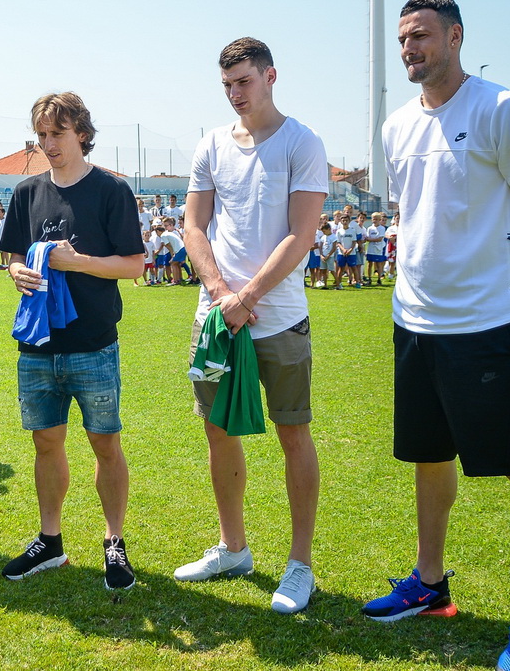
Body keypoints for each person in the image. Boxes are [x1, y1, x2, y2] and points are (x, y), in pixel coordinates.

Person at [361, 0, 510, 671]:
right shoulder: (395, 127)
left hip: (489, 325)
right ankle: (430, 582)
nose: (410, 48)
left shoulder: (502, 110)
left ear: (455, 38)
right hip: (415, 322)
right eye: (402, 39)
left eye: (420, 36)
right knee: (427, 455)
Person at [178, 38, 328, 614]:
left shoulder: (302, 142)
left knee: (293, 433)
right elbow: (194, 225)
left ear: (270, 76)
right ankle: (233, 547)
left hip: (279, 318)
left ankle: (299, 565)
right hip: (216, 317)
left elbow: (302, 233)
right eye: (227, 86)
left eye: (244, 82)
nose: (235, 94)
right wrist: (221, 293)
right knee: (219, 429)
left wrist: (250, 295)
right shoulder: (211, 144)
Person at [0, 92, 145, 590]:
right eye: (41, 136)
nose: (48, 145)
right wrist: (18, 270)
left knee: (105, 444)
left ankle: (114, 541)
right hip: (37, 345)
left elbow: (134, 265)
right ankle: (50, 541)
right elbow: (11, 254)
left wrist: (75, 262)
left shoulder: (111, 191)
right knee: (46, 443)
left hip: (93, 343)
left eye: (57, 134)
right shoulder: (26, 192)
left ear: (81, 131)